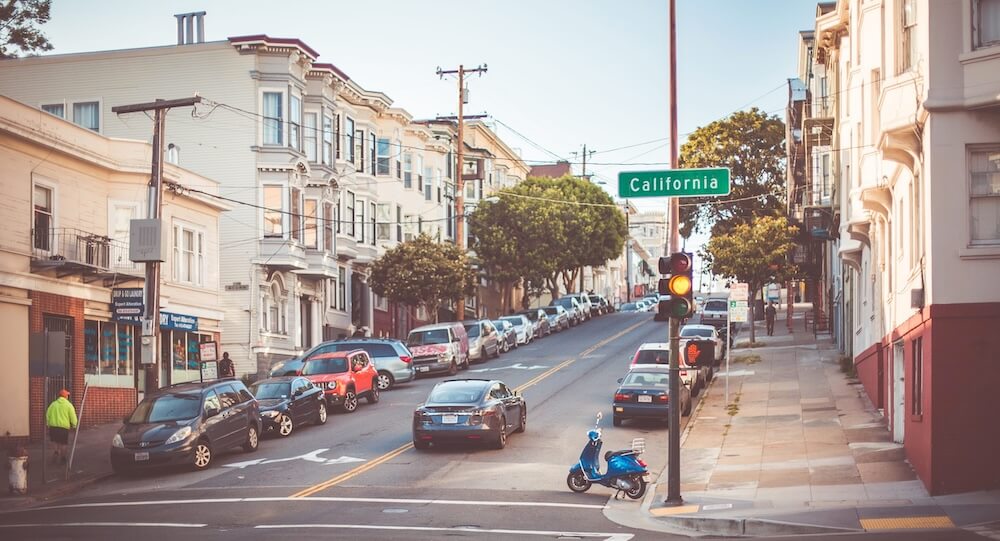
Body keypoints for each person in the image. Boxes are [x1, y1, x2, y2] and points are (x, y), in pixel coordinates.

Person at [46, 389, 78, 464]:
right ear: (65, 396)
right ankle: (63, 457)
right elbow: (72, 416)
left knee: (55, 441)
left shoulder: (53, 404)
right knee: (63, 443)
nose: (68, 396)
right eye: (67, 395)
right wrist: (75, 424)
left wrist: (48, 424)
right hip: (63, 428)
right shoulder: (68, 405)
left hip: (53, 427)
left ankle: (56, 451)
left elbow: (47, 415)